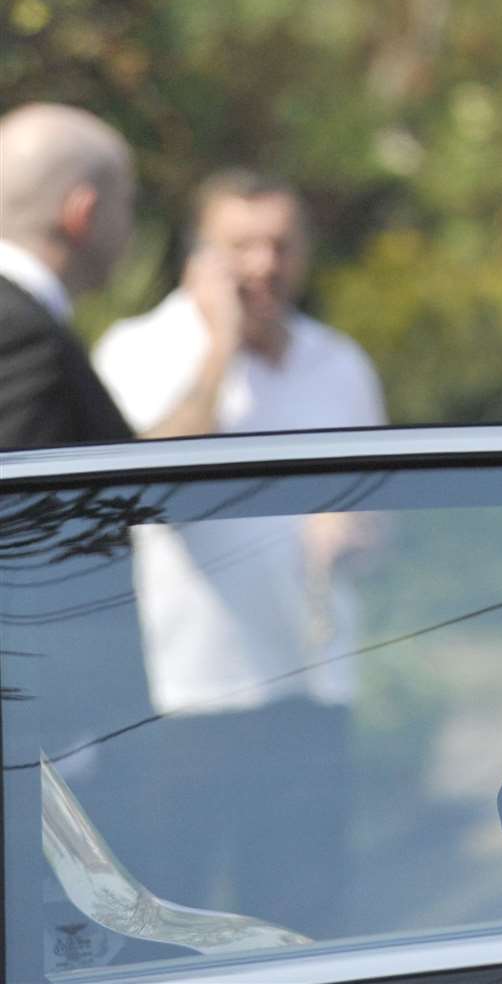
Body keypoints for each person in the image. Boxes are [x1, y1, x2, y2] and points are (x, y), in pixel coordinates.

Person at [90, 168, 385, 936]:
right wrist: (220, 345)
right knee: (170, 929)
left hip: (311, 693)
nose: (264, 265)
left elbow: (382, 523)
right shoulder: (139, 349)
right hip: (182, 702)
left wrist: (355, 533)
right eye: (241, 246)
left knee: (305, 927)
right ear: (199, 255)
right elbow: (148, 488)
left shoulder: (340, 363)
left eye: (281, 245)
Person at [0, 103, 135, 448]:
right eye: (126, 205)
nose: (129, 229)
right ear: (83, 213)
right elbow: (21, 497)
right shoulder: (25, 338)